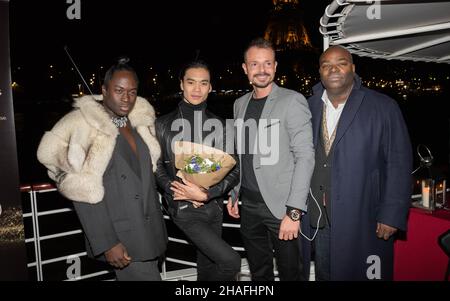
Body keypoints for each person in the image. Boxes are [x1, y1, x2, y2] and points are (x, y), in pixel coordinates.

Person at [37, 58, 167, 281]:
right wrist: (107, 242)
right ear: (104, 90)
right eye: (119, 90)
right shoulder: (84, 127)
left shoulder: (138, 124)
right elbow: (81, 190)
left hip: (150, 232)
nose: (126, 98)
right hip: (121, 239)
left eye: (132, 92)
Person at [302, 46, 412, 280]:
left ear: (352, 68)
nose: (333, 69)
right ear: (319, 72)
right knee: (324, 274)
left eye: (341, 63)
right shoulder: (307, 107)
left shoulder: (383, 107)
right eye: (326, 65)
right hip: (320, 217)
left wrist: (391, 214)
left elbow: (399, 163)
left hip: (364, 216)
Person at [227, 38, 315, 281]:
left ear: (275, 67)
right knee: (259, 272)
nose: (262, 70)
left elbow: (305, 157)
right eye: (254, 64)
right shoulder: (239, 104)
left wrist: (294, 212)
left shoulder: (292, 100)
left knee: (291, 274)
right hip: (248, 207)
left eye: (267, 63)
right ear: (245, 69)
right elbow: (242, 153)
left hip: (282, 208)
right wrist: (234, 193)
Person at [155, 60, 241, 281]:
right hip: (184, 208)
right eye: (191, 82)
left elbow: (234, 169)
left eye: (203, 83)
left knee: (208, 266)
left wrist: (207, 194)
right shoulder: (162, 125)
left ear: (210, 87)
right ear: (181, 84)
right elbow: (157, 168)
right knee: (230, 262)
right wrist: (178, 190)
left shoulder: (222, 126)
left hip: (214, 207)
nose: (197, 88)